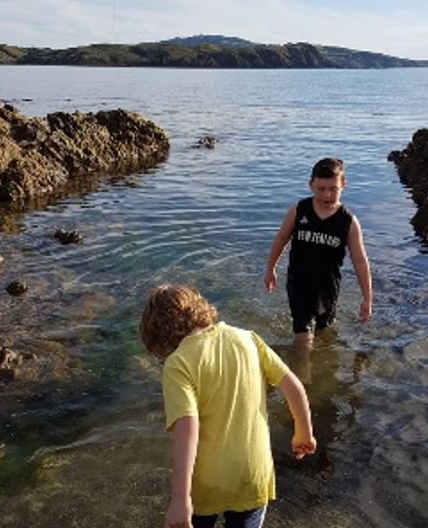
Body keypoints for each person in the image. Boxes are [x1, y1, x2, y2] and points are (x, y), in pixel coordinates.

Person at [140, 285, 317, 528]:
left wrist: (180, 499)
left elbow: (187, 428)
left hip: (207, 482)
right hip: (252, 475)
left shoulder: (178, 363)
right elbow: (293, 386)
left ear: (159, 337)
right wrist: (303, 433)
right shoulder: (249, 338)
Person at [264, 158, 372, 347]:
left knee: (323, 333)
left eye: (333, 189)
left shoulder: (348, 222)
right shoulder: (299, 210)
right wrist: (270, 268)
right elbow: (281, 239)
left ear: (343, 186)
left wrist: (367, 298)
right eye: (321, 189)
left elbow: (360, 261)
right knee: (303, 338)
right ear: (311, 185)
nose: (327, 195)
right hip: (299, 283)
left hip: (328, 287)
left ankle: (318, 372)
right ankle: (300, 375)